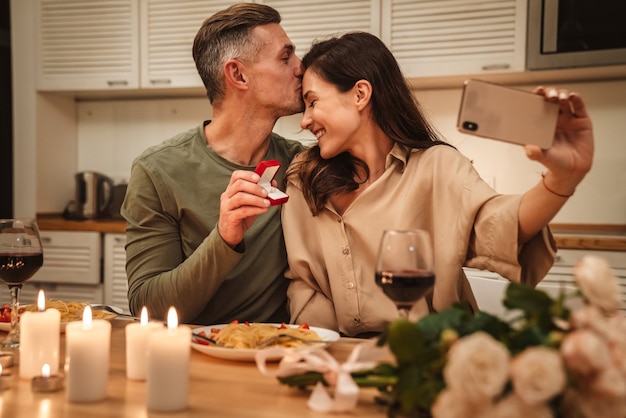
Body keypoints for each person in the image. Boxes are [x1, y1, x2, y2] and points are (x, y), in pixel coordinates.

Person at [282, 32, 594, 337]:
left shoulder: (437, 166)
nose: (305, 121)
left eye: (312, 102)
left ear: (360, 94)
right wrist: (322, 351)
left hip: (432, 356)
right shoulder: (304, 177)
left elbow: (500, 225)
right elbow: (305, 285)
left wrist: (563, 178)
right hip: (332, 358)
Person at [121, 3, 305, 324]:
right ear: (238, 74)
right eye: (285, 57)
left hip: (281, 352)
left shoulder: (300, 164)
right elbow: (148, 307)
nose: (301, 67)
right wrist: (224, 237)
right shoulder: (157, 171)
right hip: (194, 356)